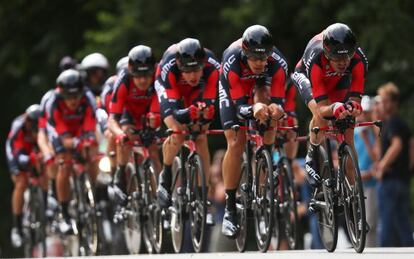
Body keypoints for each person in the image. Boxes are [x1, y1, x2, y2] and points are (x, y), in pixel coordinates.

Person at [218, 24, 287, 238]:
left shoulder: (277, 63)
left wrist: (273, 108)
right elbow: (239, 107)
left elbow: (277, 100)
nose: (260, 62)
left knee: (270, 111)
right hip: (235, 90)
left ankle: (265, 155)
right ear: (245, 53)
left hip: (261, 85)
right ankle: (230, 208)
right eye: (255, 58)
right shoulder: (232, 59)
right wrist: (254, 108)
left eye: (263, 58)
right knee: (236, 141)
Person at [291, 23, 368, 188]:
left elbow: (355, 99)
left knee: (348, 131)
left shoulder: (358, 59)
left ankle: (353, 193)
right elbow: (323, 108)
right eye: (337, 58)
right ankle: (312, 152)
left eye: (346, 57)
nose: (343, 63)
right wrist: (333, 108)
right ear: (327, 54)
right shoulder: (317, 56)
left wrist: (352, 108)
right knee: (321, 116)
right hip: (308, 77)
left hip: (337, 81)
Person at [155, 38, 219, 220]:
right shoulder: (169, 67)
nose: (192, 76)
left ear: (203, 64)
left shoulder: (213, 67)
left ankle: (203, 194)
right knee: (177, 132)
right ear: (179, 65)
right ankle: (166, 176)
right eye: (188, 71)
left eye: (196, 70)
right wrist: (189, 112)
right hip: (171, 88)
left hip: (197, 91)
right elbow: (176, 112)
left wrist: (204, 113)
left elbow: (209, 104)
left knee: (201, 136)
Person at [46, 69, 99, 234]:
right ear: (62, 94)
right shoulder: (53, 102)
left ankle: (93, 193)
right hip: (60, 132)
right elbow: (62, 136)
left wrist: (87, 142)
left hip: (80, 129)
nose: (73, 101)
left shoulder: (88, 98)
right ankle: (65, 213)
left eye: (76, 96)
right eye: (69, 97)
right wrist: (76, 143)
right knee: (64, 164)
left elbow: (91, 122)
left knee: (92, 153)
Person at [107, 45, 161, 202]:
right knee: (126, 137)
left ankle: (160, 193)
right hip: (128, 114)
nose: (143, 80)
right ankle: (120, 172)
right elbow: (112, 119)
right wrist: (120, 134)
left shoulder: (159, 77)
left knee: (153, 150)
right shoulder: (123, 81)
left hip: (149, 113)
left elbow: (159, 110)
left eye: (147, 75)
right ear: (131, 73)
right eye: (138, 76)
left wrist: (152, 126)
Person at [375, 82, 414, 247]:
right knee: (403, 223)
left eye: (384, 101)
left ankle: (385, 254)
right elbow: (411, 146)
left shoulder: (393, 123)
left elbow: (397, 145)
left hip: (390, 179)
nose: (381, 105)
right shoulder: (402, 124)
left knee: (387, 224)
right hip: (403, 179)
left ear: (392, 103)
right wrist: (408, 169)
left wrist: (382, 167)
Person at [6, 104, 43, 247]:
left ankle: (47, 202)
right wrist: (27, 161)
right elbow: (16, 153)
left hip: (34, 150)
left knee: (45, 170)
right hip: (17, 152)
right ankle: (17, 226)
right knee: (21, 183)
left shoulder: (42, 124)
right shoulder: (19, 127)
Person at [354, 95, 378, 247]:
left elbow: (376, 157)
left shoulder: (373, 131)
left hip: (371, 181)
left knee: (370, 221)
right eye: (362, 112)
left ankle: (370, 249)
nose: (364, 116)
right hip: (358, 179)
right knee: (360, 220)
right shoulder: (355, 132)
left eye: (367, 112)